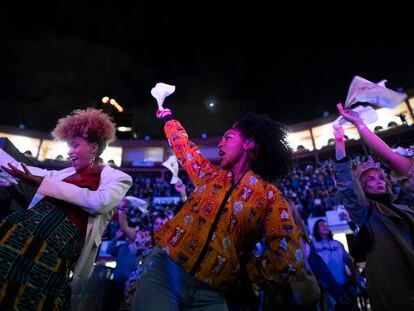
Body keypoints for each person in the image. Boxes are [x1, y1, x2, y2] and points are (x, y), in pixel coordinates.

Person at [132, 99, 303, 310]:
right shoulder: (208, 176)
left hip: (212, 294)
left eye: (228, 138)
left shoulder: (271, 197)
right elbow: (184, 148)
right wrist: (168, 118)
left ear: (249, 143)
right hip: (164, 271)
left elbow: (288, 255)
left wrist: (246, 269)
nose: (220, 144)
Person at [0, 108, 132, 310]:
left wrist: (40, 181)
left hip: (55, 246)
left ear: (93, 148)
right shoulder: (60, 173)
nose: (69, 151)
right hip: (20, 231)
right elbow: (20, 168)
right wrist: (10, 173)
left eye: (75, 145)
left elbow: (99, 202)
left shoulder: (119, 178)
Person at [332, 113, 414, 311]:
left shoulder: (405, 208)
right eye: (370, 179)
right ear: (362, 188)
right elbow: (346, 183)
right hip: (394, 288)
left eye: (379, 177)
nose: (378, 180)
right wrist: (339, 139)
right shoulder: (365, 210)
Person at [118, 201, 168, 310]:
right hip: (135, 284)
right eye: (157, 224)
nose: (159, 227)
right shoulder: (145, 237)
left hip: (158, 286)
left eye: (162, 224)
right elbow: (125, 227)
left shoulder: (171, 244)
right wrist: (122, 210)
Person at [312, 219, 359, 311]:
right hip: (325, 288)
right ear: (317, 230)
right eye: (322, 225)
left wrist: (354, 275)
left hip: (343, 285)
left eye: (326, 225)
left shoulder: (338, 244)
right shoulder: (313, 246)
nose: (325, 226)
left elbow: (349, 261)